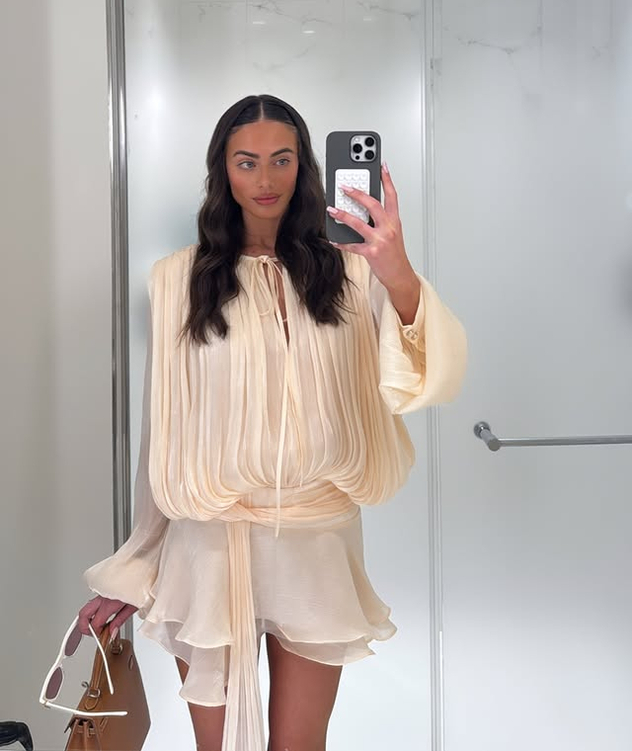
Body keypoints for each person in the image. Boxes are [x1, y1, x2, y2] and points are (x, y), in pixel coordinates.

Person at [76, 94, 467, 751]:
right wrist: (133, 567)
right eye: (247, 161)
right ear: (223, 171)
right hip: (209, 545)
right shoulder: (178, 280)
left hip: (317, 540)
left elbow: (427, 371)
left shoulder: (353, 271)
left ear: (304, 166)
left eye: (282, 160)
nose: (265, 179)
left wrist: (396, 270)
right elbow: (165, 436)